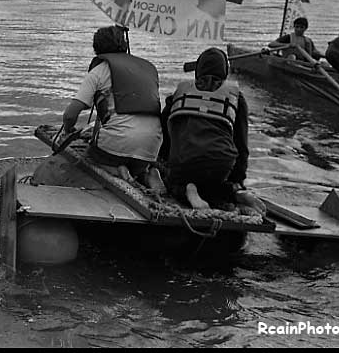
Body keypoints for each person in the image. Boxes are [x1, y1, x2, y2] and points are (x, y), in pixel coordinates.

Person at [55, 25, 164, 188]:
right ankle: (147, 173)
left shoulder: (98, 72)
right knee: (136, 159)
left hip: (117, 146)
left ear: (96, 49)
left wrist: (67, 130)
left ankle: (115, 170)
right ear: (125, 46)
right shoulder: (149, 68)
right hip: (151, 147)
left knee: (89, 156)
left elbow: (70, 115)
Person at [160, 47, 265, 216]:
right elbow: (241, 145)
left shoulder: (179, 94)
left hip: (184, 163)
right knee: (214, 184)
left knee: (170, 180)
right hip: (220, 165)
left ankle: (186, 190)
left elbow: (164, 134)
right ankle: (234, 192)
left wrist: (163, 162)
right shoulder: (237, 97)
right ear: (225, 72)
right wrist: (238, 180)